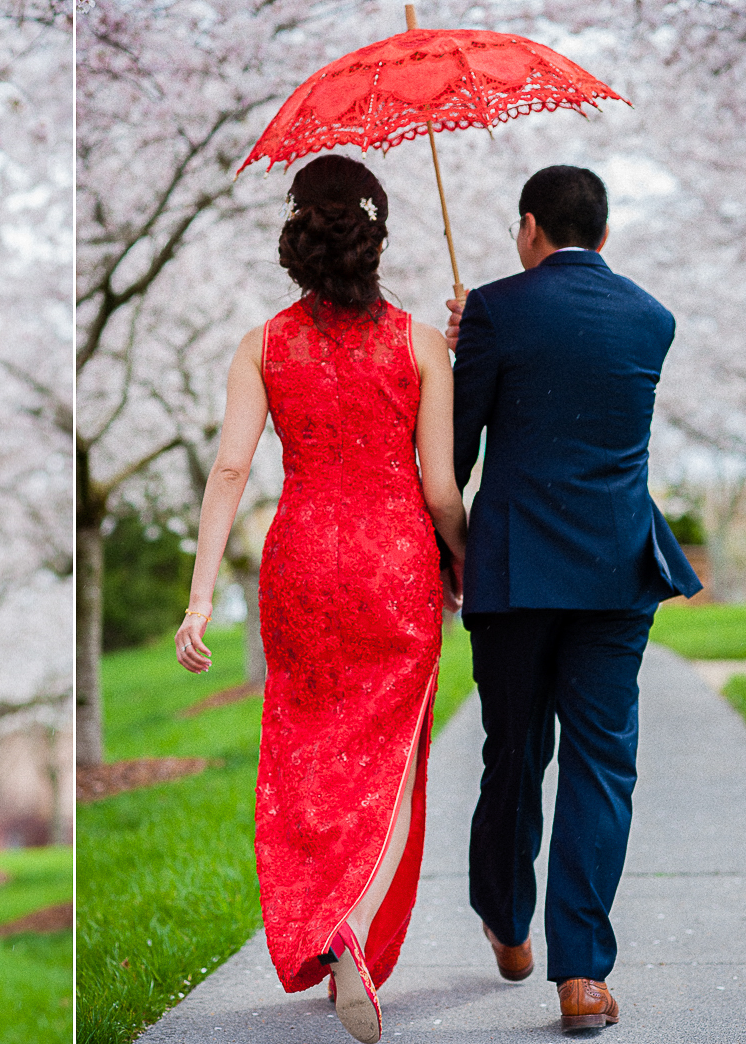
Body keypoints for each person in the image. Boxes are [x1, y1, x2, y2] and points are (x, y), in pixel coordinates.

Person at [175, 154, 467, 1044]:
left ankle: (327, 915)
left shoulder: (261, 344)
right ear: (375, 239)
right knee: (391, 758)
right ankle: (350, 926)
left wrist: (196, 604)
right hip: (393, 562)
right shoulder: (420, 343)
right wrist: (468, 568)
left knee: (308, 752)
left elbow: (229, 470)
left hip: (299, 558)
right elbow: (444, 489)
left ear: (296, 237)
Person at [444, 165, 701, 1032]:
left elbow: (456, 449)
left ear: (529, 226)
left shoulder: (495, 307)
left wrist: (467, 349)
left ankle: (508, 920)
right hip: (616, 568)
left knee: (515, 750)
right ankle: (582, 976)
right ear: (604, 232)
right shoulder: (652, 318)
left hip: (515, 572)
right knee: (603, 763)